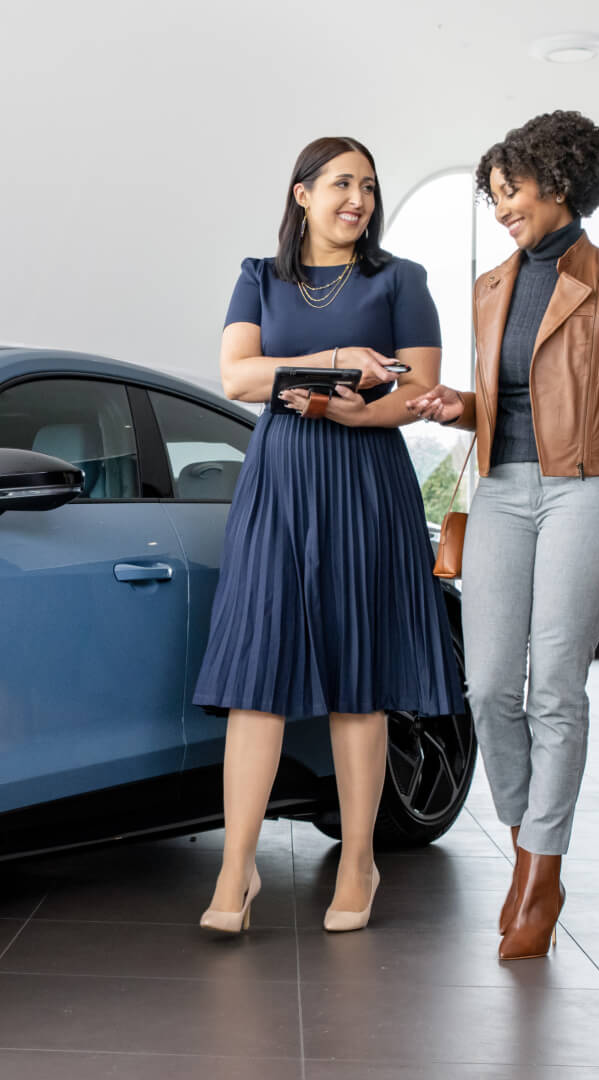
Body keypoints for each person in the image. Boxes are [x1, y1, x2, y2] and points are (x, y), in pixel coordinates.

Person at [194, 136, 463, 935]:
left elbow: (417, 390)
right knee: (257, 674)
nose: (358, 200)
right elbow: (236, 376)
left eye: (369, 187)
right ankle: (237, 867)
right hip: (280, 482)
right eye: (343, 183)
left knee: (359, 677)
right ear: (302, 193)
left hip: (364, 479)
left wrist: (350, 408)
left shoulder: (401, 280)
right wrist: (339, 358)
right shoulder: (259, 277)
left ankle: (358, 861)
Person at [407, 111, 599, 960]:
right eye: (493, 196)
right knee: (485, 688)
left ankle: (542, 874)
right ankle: (526, 848)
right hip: (503, 490)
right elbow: (512, 400)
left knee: (553, 686)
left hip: (591, 486)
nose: (502, 207)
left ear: (560, 182)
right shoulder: (490, 287)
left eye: (511, 190)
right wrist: (460, 406)